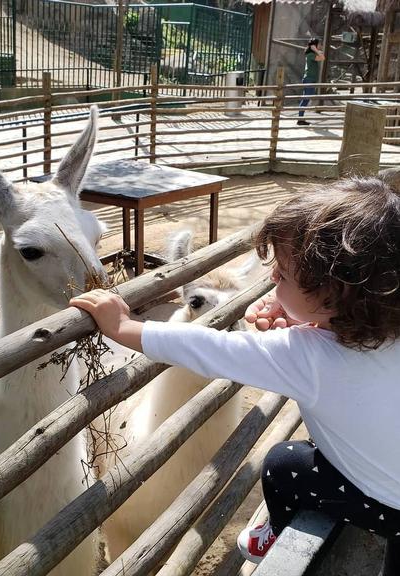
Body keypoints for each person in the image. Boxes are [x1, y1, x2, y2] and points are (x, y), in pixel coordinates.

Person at [70, 175, 400, 572]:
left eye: (281, 276)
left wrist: (125, 327)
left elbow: (210, 349)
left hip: (386, 505)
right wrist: (308, 316)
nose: (272, 280)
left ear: (330, 295)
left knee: (283, 463)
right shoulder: (384, 324)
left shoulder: (303, 356)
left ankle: (271, 536)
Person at [297, 38, 325, 126]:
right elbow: (323, 58)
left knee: (306, 99)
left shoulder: (312, 54)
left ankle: (300, 119)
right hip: (309, 79)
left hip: (310, 79)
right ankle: (300, 119)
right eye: (318, 44)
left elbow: (322, 56)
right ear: (314, 46)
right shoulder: (310, 55)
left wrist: (315, 49)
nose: (320, 46)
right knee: (305, 99)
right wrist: (314, 49)